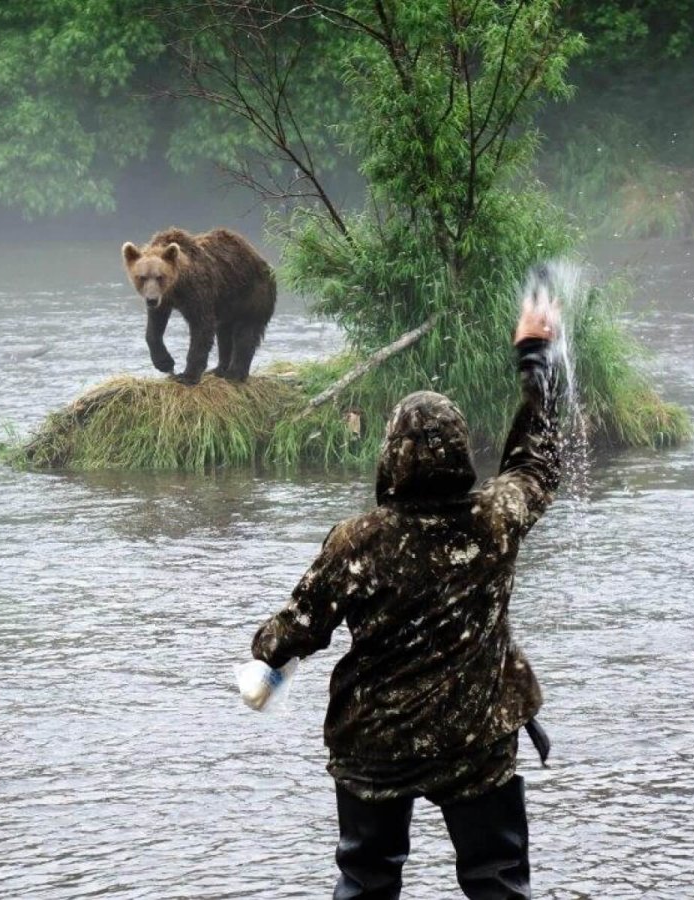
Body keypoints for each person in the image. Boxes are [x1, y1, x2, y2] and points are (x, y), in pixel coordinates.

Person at [249, 283, 563, 899]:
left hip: (375, 745)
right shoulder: (495, 519)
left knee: (367, 881)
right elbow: (536, 464)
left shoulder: (357, 541)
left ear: (390, 456)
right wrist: (535, 358)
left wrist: (265, 651)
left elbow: (294, 632)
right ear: (461, 453)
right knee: (497, 881)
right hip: (476, 739)